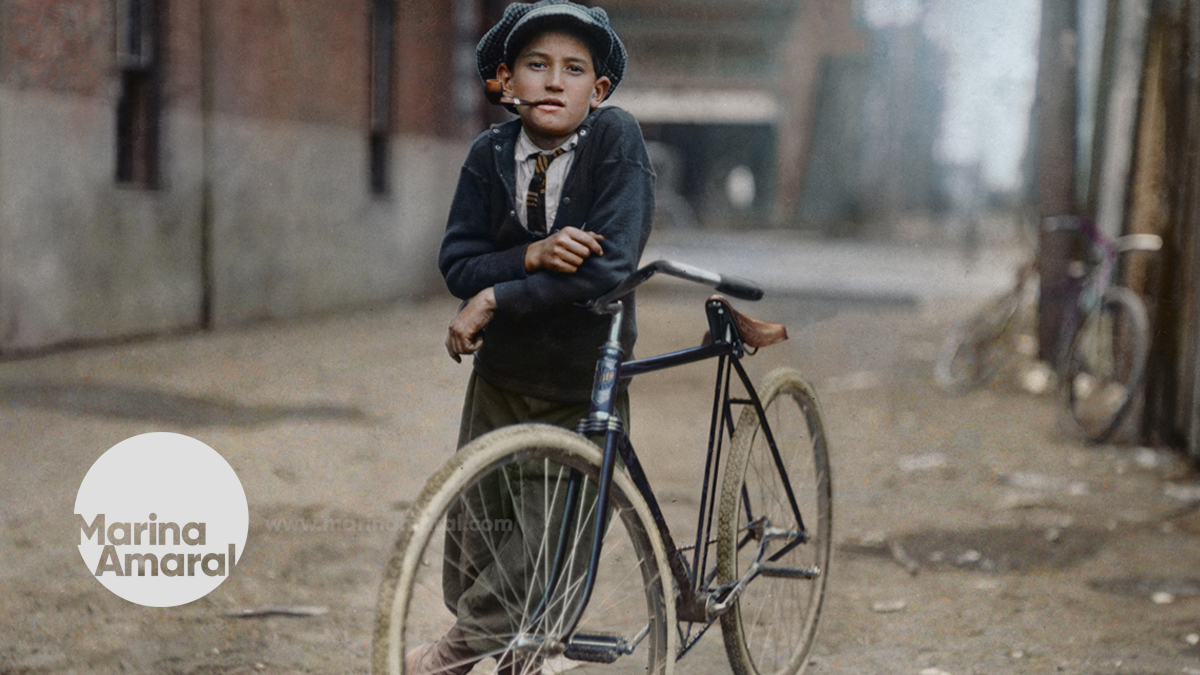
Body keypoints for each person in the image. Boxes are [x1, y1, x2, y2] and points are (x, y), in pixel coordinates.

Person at [408, 2, 654, 674]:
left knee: (551, 535)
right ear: (505, 81)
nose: (554, 81)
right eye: (536, 66)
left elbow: (608, 266)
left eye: (574, 69)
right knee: (478, 531)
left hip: (583, 380)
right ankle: (516, 650)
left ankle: (457, 653)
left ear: (597, 91)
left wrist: (496, 294)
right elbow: (457, 260)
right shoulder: (489, 154)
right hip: (502, 377)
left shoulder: (616, 142)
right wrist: (533, 255)